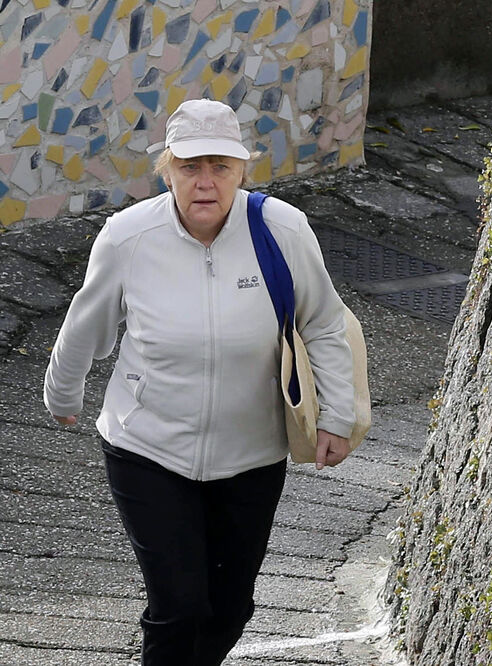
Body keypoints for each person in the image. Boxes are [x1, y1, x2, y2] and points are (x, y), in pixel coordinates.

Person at [43, 98, 355, 665]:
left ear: (242, 170)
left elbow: (325, 322)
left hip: (253, 454)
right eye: (190, 167)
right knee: (178, 604)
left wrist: (337, 414)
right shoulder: (127, 237)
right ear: (167, 171)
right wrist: (63, 393)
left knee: (230, 608)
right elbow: (84, 324)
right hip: (147, 449)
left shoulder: (282, 231)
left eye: (221, 167)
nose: (206, 183)